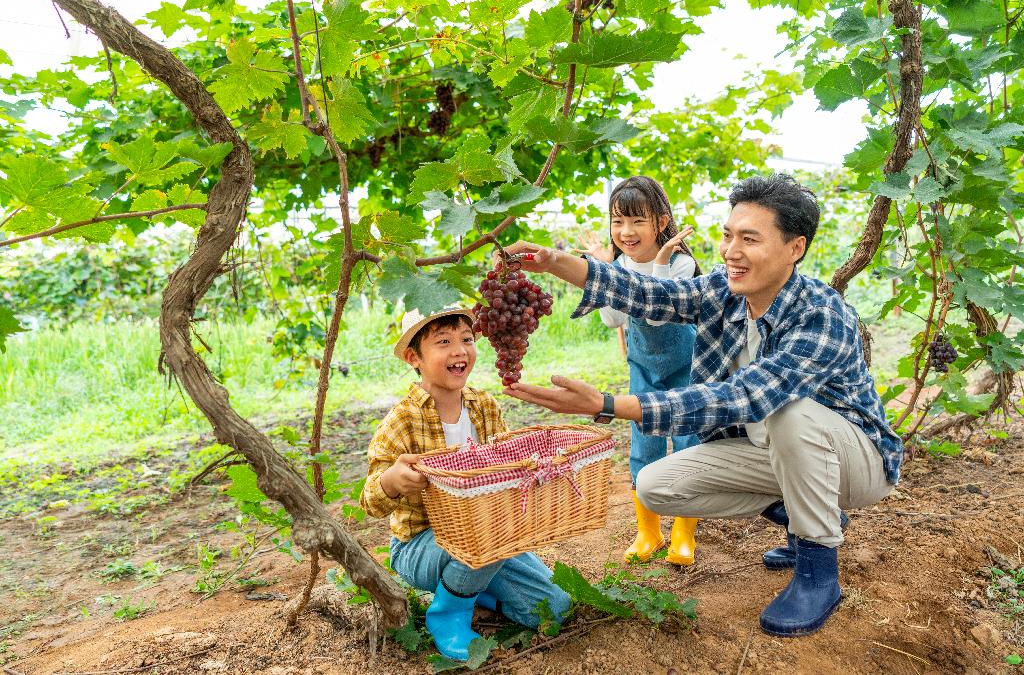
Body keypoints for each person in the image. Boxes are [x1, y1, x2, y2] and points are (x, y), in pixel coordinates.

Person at [497, 174, 901, 637]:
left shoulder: (821, 313)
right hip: (774, 453)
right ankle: (797, 513)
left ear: (795, 247)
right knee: (654, 485)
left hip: (856, 464)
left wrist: (609, 404)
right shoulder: (724, 293)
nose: (731, 250)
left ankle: (817, 574)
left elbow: (743, 396)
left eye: (750, 239)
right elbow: (649, 293)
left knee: (790, 412)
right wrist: (554, 262)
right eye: (728, 235)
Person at [359, 306, 571, 661]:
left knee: (555, 607)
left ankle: (474, 589)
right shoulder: (401, 421)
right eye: (443, 342)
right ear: (414, 357)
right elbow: (370, 502)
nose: (459, 351)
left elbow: (509, 468)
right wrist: (393, 480)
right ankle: (447, 613)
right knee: (486, 530)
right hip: (421, 546)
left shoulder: (484, 407)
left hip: (488, 540)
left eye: (467, 340)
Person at [580, 176, 702, 566]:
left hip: (686, 366)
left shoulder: (683, 264)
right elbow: (613, 318)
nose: (626, 232)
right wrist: (605, 273)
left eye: (636, 221)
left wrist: (661, 264)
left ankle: (684, 534)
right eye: (618, 221)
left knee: (687, 442)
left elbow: (660, 313)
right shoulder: (619, 264)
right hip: (643, 367)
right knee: (644, 444)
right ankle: (648, 531)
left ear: (661, 221)